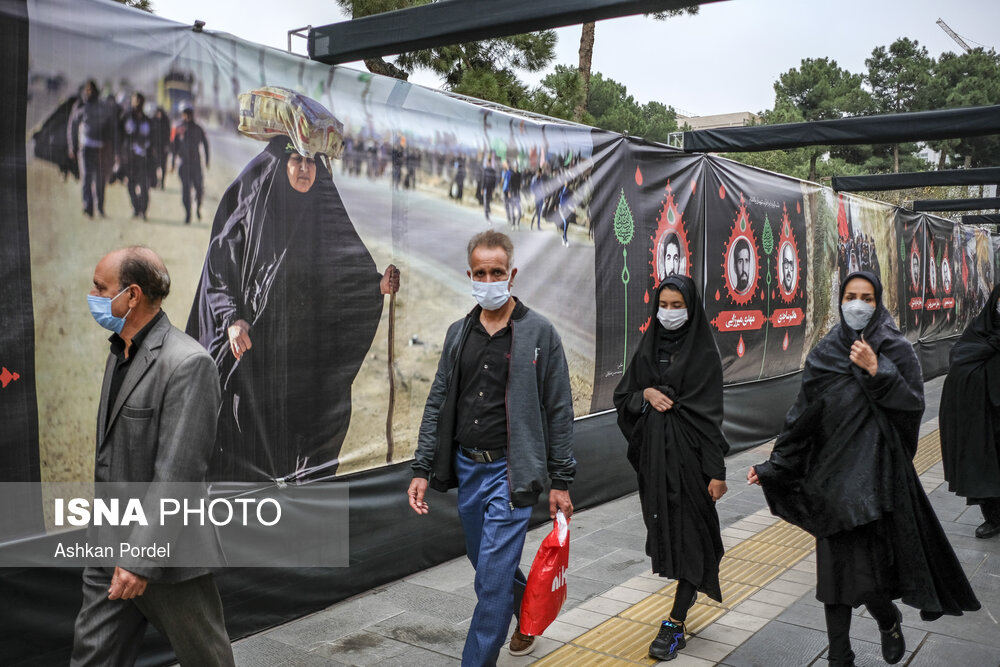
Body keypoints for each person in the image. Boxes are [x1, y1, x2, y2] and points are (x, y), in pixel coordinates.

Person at [747, 271, 979, 667]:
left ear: (878, 302)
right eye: (851, 296)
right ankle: (841, 657)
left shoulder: (896, 350)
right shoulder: (824, 353)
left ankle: (887, 619)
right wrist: (775, 466)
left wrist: (878, 370)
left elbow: (912, 409)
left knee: (868, 574)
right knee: (834, 578)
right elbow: (801, 417)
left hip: (877, 480)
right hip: (830, 480)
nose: (857, 304)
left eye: (866, 297)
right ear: (840, 301)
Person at [187, 136, 399, 483]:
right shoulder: (254, 205)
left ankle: (300, 517)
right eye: (297, 160)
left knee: (308, 444)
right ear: (281, 164)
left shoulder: (322, 212)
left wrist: (376, 286)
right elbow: (219, 266)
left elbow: (343, 270)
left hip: (306, 359)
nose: (304, 168)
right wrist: (231, 320)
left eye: (312, 162)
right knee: (248, 446)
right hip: (257, 355)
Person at [407, 230, 575, 665]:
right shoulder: (458, 333)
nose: (488, 279)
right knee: (485, 562)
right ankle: (528, 613)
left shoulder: (540, 333)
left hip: (511, 473)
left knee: (492, 585)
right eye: (480, 272)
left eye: (496, 271)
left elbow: (559, 410)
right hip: (468, 470)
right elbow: (439, 400)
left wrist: (561, 481)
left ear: (512, 274)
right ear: (470, 275)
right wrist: (422, 467)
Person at [73, 246, 234, 666]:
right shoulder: (119, 351)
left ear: (132, 296)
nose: (92, 294)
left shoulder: (188, 363)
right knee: (92, 657)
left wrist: (140, 560)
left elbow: (177, 473)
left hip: (167, 557)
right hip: (108, 548)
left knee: (206, 660)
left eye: (100, 287)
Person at [614, 275, 728, 662]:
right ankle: (688, 586)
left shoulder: (704, 354)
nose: (670, 312)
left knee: (693, 536)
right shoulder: (648, 347)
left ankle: (674, 623)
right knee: (668, 532)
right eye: (664, 304)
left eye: (678, 305)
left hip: (692, 464)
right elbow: (624, 395)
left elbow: (711, 417)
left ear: (691, 307)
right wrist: (644, 394)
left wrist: (717, 473)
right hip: (655, 465)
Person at [940, 284, 1000, 539]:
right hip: (983, 417)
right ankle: (994, 517)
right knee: (984, 464)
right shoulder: (979, 330)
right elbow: (959, 359)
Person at [68, 80, 115, 218]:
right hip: (85, 148)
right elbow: (72, 126)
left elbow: (110, 126)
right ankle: (88, 207)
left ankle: (100, 208)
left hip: (100, 148)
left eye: (92, 90)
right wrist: (72, 145)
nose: (89, 92)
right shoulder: (81, 106)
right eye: (87, 90)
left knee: (100, 179)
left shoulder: (103, 106)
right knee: (87, 177)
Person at [170, 105, 209, 224]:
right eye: (185, 113)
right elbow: (174, 147)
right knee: (186, 191)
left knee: (199, 189)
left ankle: (198, 208)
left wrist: (207, 160)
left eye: (189, 113)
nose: (187, 116)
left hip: (196, 164)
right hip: (184, 165)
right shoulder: (177, 128)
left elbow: (206, 144)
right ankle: (188, 214)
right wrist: (172, 163)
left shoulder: (198, 128)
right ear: (182, 114)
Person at [119, 92, 153, 220]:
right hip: (129, 158)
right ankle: (135, 208)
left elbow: (152, 139)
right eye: (136, 100)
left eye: (140, 101)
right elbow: (119, 135)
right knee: (131, 185)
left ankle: (143, 211)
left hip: (143, 159)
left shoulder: (147, 121)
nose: (138, 103)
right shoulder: (125, 117)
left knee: (144, 186)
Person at [481, 155, 497, 221]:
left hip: (489, 188)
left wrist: (493, 188)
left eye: (489, 162)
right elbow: (483, 179)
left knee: (488, 200)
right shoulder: (486, 170)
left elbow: (494, 180)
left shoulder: (492, 171)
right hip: (486, 188)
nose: (488, 163)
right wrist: (482, 188)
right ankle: (486, 213)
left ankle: (487, 211)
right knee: (486, 200)